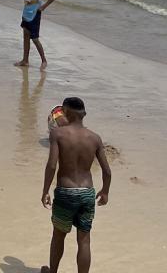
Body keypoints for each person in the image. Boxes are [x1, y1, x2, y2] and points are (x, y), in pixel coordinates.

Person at [40, 96, 113, 273]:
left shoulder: (57, 134)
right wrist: (105, 192)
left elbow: (51, 165)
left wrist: (45, 191)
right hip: (87, 193)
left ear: (65, 112)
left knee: (58, 236)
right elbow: (107, 171)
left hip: (66, 192)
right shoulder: (95, 138)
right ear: (84, 114)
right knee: (84, 240)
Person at [15, 0, 56, 68]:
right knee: (25, 37)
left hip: (35, 16)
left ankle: (44, 60)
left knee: (35, 39)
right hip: (26, 15)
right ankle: (25, 60)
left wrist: (43, 7)